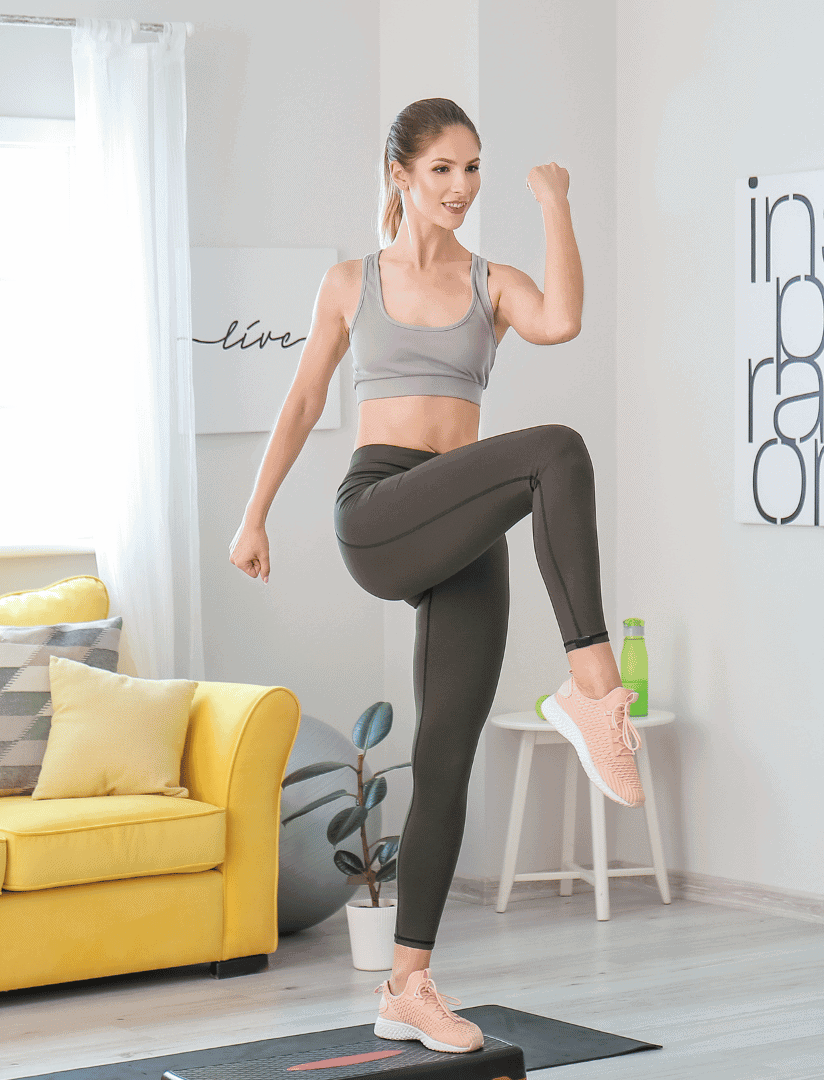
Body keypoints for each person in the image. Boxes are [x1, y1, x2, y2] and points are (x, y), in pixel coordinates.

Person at [228, 97, 641, 1055]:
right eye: (444, 169)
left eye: (473, 168)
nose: (462, 187)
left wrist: (555, 203)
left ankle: (406, 985)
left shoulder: (492, 283)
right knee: (555, 450)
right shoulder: (351, 282)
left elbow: (563, 320)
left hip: (463, 520)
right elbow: (303, 400)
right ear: (402, 176)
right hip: (380, 511)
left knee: (446, 755)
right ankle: (593, 689)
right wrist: (254, 514)